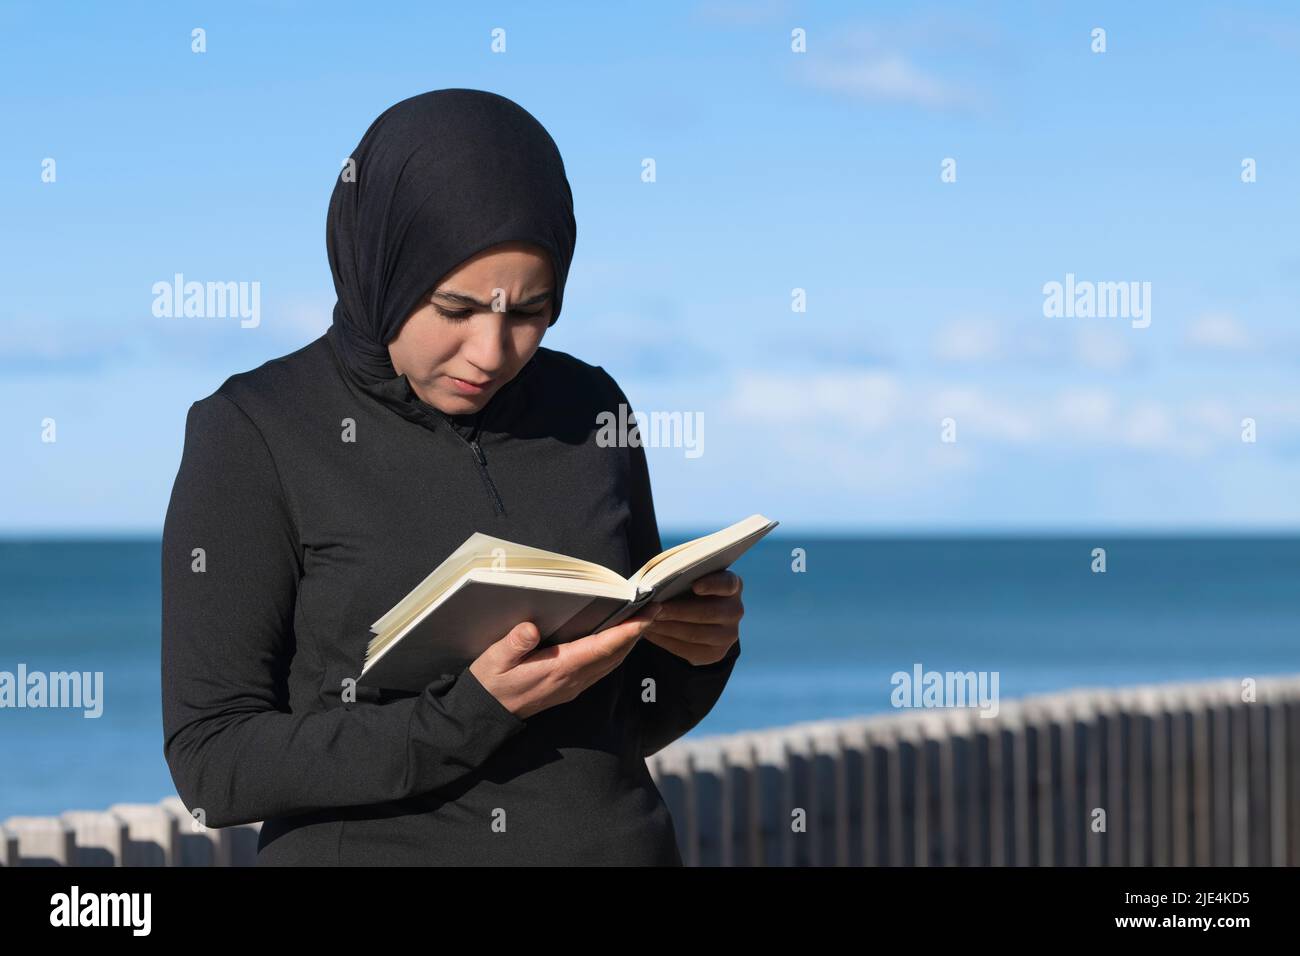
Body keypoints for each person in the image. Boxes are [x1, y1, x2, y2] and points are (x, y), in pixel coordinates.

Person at [160, 88, 744, 865]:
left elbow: (621, 724)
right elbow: (214, 767)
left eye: (530, 312)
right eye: (456, 307)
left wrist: (696, 657)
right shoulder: (255, 430)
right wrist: (469, 713)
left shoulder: (591, 406)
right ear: (384, 265)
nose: (492, 352)